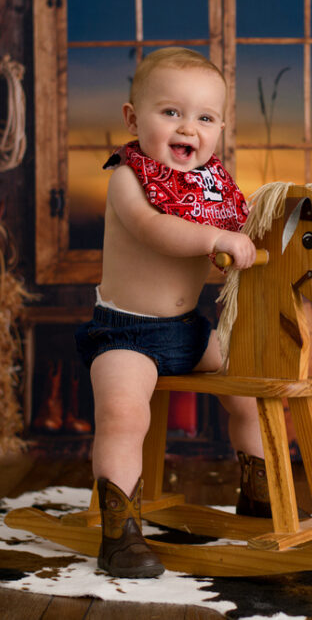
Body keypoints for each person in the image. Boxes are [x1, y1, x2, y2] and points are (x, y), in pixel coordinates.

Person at [75, 48, 270, 578]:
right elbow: (155, 230)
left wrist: (255, 229)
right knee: (124, 414)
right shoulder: (128, 177)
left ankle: (258, 496)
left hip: (188, 332)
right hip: (127, 334)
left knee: (251, 387)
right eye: (171, 112)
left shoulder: (212, 188)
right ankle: (121, 534)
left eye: (205, 118)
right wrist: (215, 238)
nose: (188, 128)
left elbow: (241, 224)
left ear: (220, 128)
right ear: (133, 118)